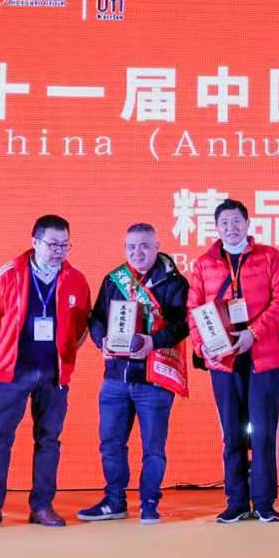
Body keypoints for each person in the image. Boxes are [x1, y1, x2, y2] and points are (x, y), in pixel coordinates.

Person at [0, 215, 92, 530]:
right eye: (52, 244)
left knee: (49, 439)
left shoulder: (76, 279)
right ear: (35, 242)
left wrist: (65, 358)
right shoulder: (8, 274)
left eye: (65, 245)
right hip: (14, 372)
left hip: (53, 373)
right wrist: (2, 356)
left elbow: (82, 326)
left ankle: (42, 507)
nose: (59, 251)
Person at [187, 198, 279, 523]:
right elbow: (193, 310)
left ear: (247, 224)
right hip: (224, 362)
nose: (231, 228)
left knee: (262, 433)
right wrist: (201, 346)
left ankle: (263, 502)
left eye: (237, 221)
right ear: (216, 228)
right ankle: (235, 501)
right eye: (224, 223)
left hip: (264, 358)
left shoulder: (269, 257)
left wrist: (253, 333)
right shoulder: (204, 264)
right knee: (232, 433)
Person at [79, 222, 190, 523]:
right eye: (131, 247)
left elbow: (184, 324)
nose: (137, 252)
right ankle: (114, 501)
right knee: (110, 444)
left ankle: (149, 502)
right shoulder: (114, 279)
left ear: (157, 247)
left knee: (153, 447)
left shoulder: (174, 283)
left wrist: (155, 341)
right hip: (115, 377)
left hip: (153, 378)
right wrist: (101, 341)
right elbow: (96, 317)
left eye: (144, 246)